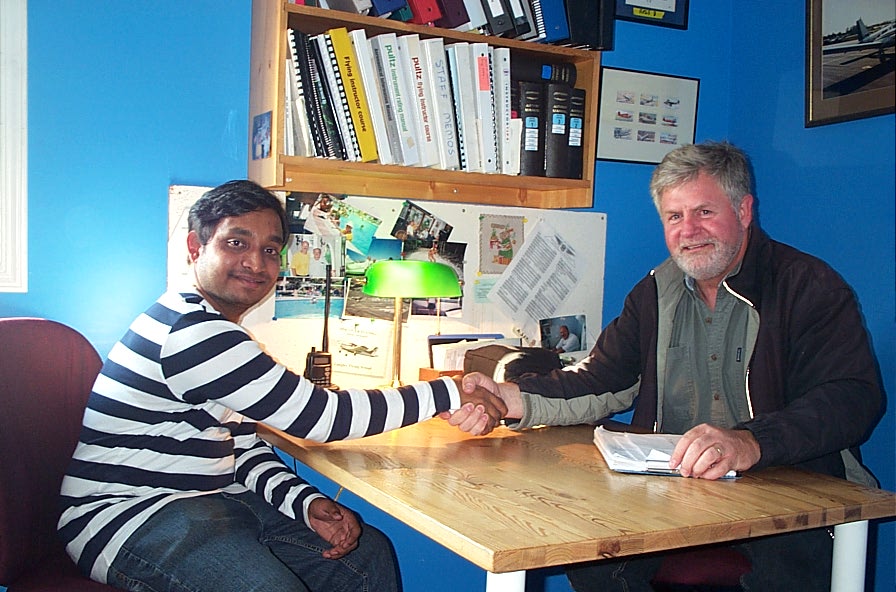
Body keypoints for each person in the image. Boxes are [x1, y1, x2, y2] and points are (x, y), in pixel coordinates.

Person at [453, 142, 882, 592]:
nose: (689, 231)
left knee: (786, 568)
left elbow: (853, 397)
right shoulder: (656, 293)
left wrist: (751, 442)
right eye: (675, 217)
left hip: (797, 486)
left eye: (704, 212)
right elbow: (602, 379)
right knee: (590, 552)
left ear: (744, 209)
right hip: (678, 491)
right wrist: (509, 398)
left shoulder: (809, 286)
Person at [58, 180, 505, 592]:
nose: (256, 262)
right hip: (127, 519)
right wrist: (449, 390)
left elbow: (242, 448)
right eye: (237, 243)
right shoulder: (192, 331)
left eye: (270, 250)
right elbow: (323, 418)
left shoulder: (220, 332)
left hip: (210, 501)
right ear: (196, 247)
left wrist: (305, 503)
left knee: (365, 556)